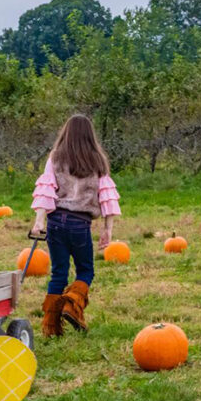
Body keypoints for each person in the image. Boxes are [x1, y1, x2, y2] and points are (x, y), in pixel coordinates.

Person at [30, 114, 121, 337]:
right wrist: (107, 230)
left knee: (58, 273)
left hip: (56, 223)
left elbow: (46, 189)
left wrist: (39, 221)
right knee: (85, 271)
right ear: (90, 135)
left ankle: (51, 327)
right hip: (80, 224)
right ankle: (72, 303)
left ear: (66, 133)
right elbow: (107, 197)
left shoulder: (56, 157)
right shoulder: (97, 160)